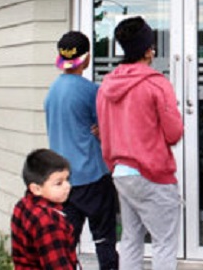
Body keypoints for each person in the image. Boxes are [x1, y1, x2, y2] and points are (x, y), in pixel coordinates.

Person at [97, 16, 183, 270]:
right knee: (164, 243)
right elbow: (174, 133)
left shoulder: (106, 85)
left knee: (131, 239)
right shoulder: (156, 84)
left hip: (121, 172)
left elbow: (103, 129)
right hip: (152, 173)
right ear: (149, 50)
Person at [45, 31, 119, 269]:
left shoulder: (52, 92)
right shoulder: (91, 91)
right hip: (93, 177)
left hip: (63, 180)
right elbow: (108, 130)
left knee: (65, 245)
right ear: (86, 58)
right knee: (104, 239)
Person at [11, 149, 78, 269]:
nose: (67, 186)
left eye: (67, 179)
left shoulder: (23, 205)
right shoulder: (49, 222)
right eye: (59, 183)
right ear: (36, 189)